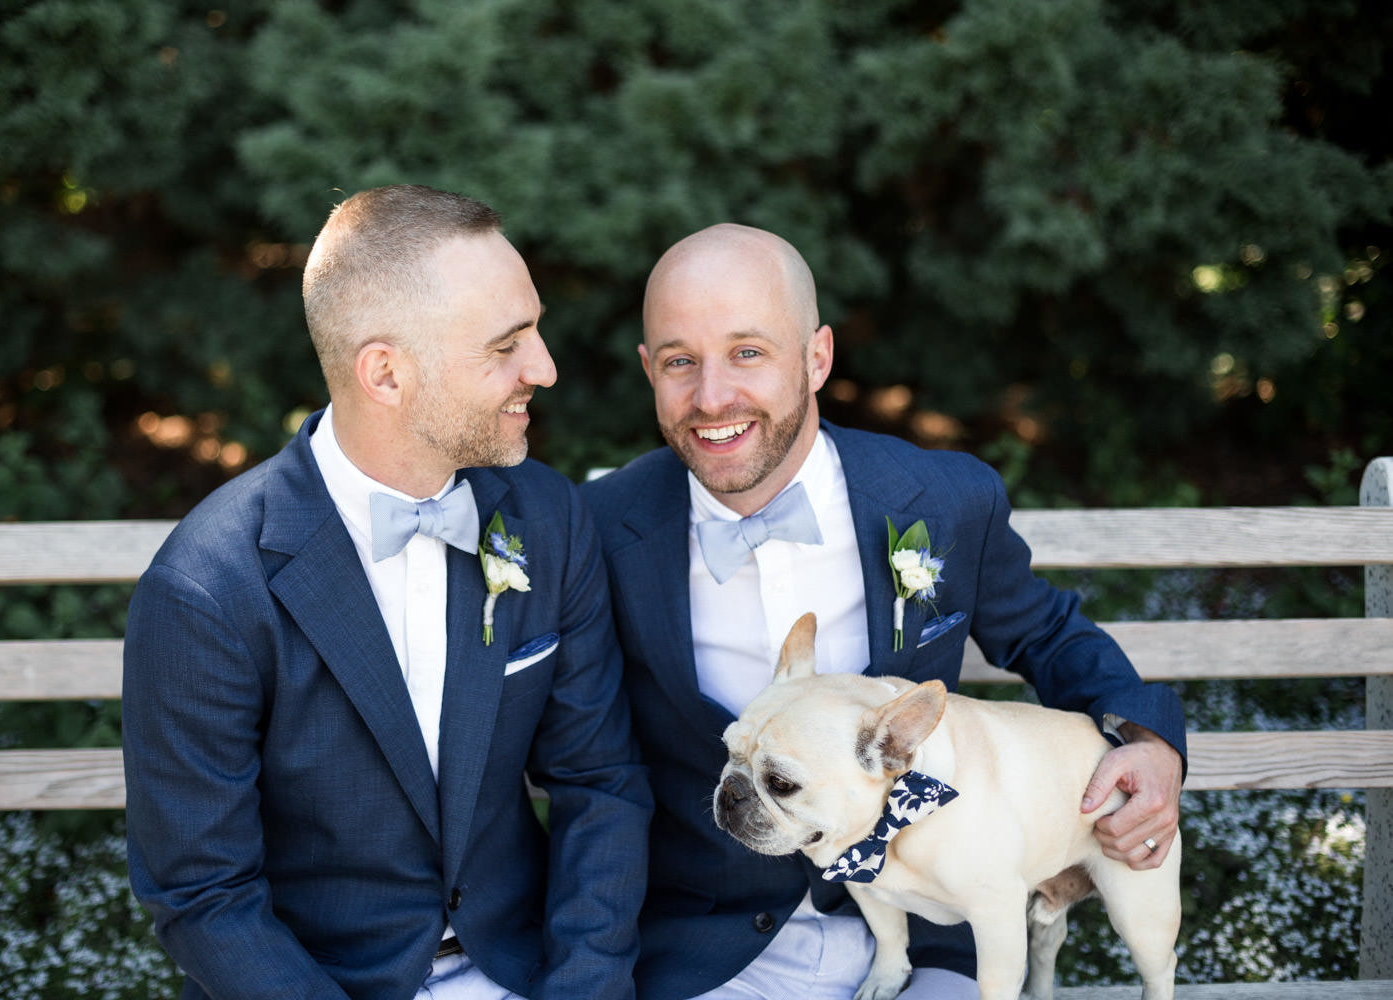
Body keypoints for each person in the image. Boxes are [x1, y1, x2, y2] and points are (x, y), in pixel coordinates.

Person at [580, 223, 1185, 1000]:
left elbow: (1046, 632)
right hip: (705, 943)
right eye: (678, 362)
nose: (711, 397)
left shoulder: (943, 500)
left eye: (748, 353)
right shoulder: (599, 529)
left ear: (817, 357)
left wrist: (1146, 738)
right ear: (648, 371)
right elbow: (579, 766)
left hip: (931, 920)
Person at [123, 185, 652, 1000]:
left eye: (535, 331)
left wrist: (580, 986)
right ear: (387, 374)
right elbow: (204, 895)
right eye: (505, 346)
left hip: (522, 973)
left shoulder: (547, 520)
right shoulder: (208, 587)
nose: (542, 369)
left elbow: (601, 784)